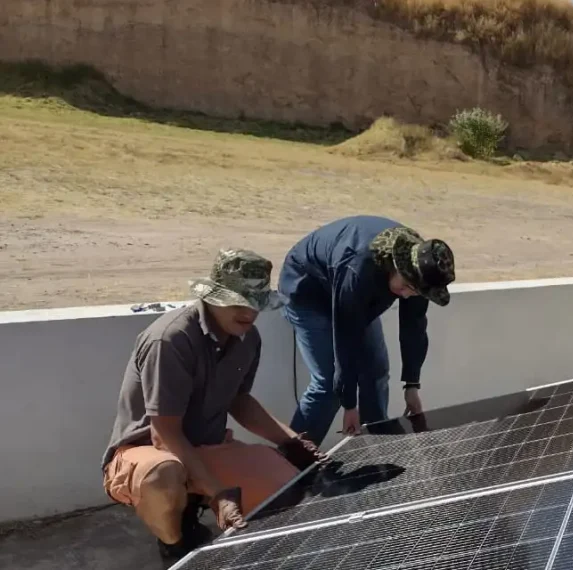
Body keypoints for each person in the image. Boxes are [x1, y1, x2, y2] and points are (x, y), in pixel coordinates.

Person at [101, 249, 328, 565]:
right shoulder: (170, 339)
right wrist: (218, 492)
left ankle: (205, 511)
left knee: (286, 487)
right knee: (165, 475)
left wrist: (291, 441)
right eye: (238, 301)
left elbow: (239, 400)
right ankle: (176, 548)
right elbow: (164, 435)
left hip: (207, 445)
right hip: (148, 450)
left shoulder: (248, 338)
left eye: (255, 303)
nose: (248, 312)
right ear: (213, 297)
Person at [277, 216, 455, 446]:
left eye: (416, 292)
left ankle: (378, 444)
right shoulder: (358, 268)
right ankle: (294, 461)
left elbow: (414, 328)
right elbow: (346, 335)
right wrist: (350, 405)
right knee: (329, 385)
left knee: (376, 371)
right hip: (308, 291)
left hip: (355, 295)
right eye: (407, 287)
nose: (407, 295)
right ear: (398, 266)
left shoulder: (421, 272)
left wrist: (412, 384)